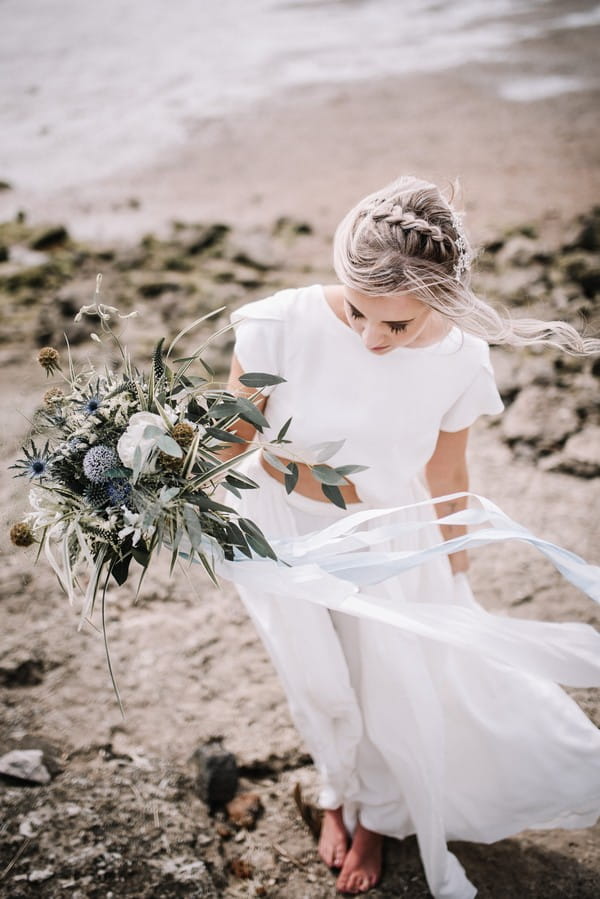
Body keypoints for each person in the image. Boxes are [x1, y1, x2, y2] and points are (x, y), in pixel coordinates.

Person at [218, 176, 600, 898]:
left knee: (389, 685)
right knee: (315, 676)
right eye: (360, 312)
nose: (372, 338)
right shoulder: (275, 324)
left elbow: (448, 470)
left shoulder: (460, 360)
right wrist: (146, 478)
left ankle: (379, 820)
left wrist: (454, 571)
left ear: (444, 297)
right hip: (281, 536)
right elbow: (236, 435)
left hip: (392, 544)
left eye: (397, 326)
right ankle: (335, 786)